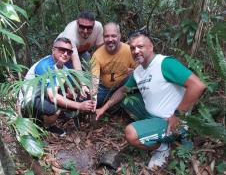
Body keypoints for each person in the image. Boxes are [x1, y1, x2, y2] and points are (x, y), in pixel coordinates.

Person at [95, 32, 206, 170]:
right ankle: (158, 132)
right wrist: (103, 108)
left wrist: (177, 115)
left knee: (131, 134)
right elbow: (122, 91)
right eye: (132, 48)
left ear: (151, 46)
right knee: (126, 100)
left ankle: (162, 147)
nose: (136, 51)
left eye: (140, 46)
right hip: (153, 113)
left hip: (171, 120)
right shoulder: (138, 72)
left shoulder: (165, 63)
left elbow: (198, 86)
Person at [26, 37, 95, 136]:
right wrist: (80, 106)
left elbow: (62, 85)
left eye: (69, 51)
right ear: (53, 50)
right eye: (62, 50)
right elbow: (53, 96)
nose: (65, 54)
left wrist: (74, 91)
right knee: (54, 109)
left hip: (44, 92)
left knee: (76, 97)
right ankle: (46, 127)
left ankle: (54, 116)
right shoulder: (45, 65)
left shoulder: (63, 67)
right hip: (30, 98)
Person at [91, 22, 136, 108]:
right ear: (103, 37)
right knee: (93, 101)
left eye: (113, 36)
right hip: (105, 88)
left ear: (119, 36)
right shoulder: (97, 55)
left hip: (124, 85)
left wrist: (135, 72)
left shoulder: (129, 50)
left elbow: (141, 71)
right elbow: (94, 79)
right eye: (106, 36)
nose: (110, 39)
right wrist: (93, 98)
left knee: (135, 76)